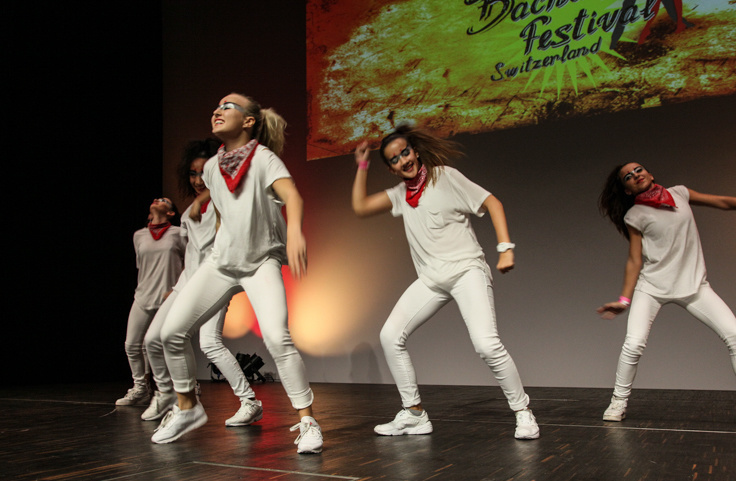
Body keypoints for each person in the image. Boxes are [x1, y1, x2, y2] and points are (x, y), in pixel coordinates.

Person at [154, 94, 322, 453]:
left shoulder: (264, 159)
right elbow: (223, 211)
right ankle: (188, 407)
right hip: (222, 263)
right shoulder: (212, 168)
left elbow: (293, 197)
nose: (218, 110)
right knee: (171, 333)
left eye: (228, 106)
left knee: (277, 338)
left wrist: (294, 234)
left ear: (248, 121)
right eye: (216, 105)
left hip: (261, 262)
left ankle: (308, 421)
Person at [351, 125, 539, 440]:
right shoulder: (400, 195)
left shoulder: (445, 177)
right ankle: (414, 414)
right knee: (390, 336)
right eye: (395, 159)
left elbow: (493, 203)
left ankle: (523, 412)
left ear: (415, 151)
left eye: (405, 152)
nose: (403, 161)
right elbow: (360, 207)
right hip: (431, 280)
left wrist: (505, 248)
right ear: (392, 169)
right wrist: (361, 167)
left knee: (486, 344)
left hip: (467, 271)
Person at [596, 162, 736, 426]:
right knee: (633, 345)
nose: (636, 175)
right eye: (628, 177)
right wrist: (624, 300)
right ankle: (618, 402)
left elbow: (722, 202)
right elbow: (635, 260)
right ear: (627, 190)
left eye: (638, 170)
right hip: (653, 287)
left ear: (650, 174)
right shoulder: (634, 215)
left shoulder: (680, 193)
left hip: (693, 286)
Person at [142, 139, 264, 427]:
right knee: (152, 339)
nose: (197, 180)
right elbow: (191, 255)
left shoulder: (225, 203)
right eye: (192, 174)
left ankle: (249, 402)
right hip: (187, 283)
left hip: (214, 282)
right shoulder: (187, 213)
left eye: (203, 173)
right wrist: (175, 287)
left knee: (209, 342)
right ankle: (171, 393)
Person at [118, 198, 185, 406]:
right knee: (132, 344)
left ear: (171, 213)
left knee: (164, 344)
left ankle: (180, 388)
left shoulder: (178, 233)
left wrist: (177, 288)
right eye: (156, 199)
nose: (158, 200)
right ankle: (141, 387)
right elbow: (141, 266)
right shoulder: (138, 235)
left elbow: (190, 262)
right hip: (143, 295)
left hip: (167, 296)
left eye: (164, 201)